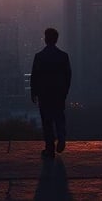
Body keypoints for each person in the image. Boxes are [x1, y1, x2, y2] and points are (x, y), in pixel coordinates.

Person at [30, 27, 72, 158]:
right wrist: (64, 92)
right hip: (59, 93)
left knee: (47, 121)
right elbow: (68, 76)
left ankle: (50, 148)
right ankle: (61, 136)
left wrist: (34, 92)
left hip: (44, 94)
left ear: (45, 39)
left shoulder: (39, 56)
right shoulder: (63, 56)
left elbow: (34, 76)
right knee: (59, 116)